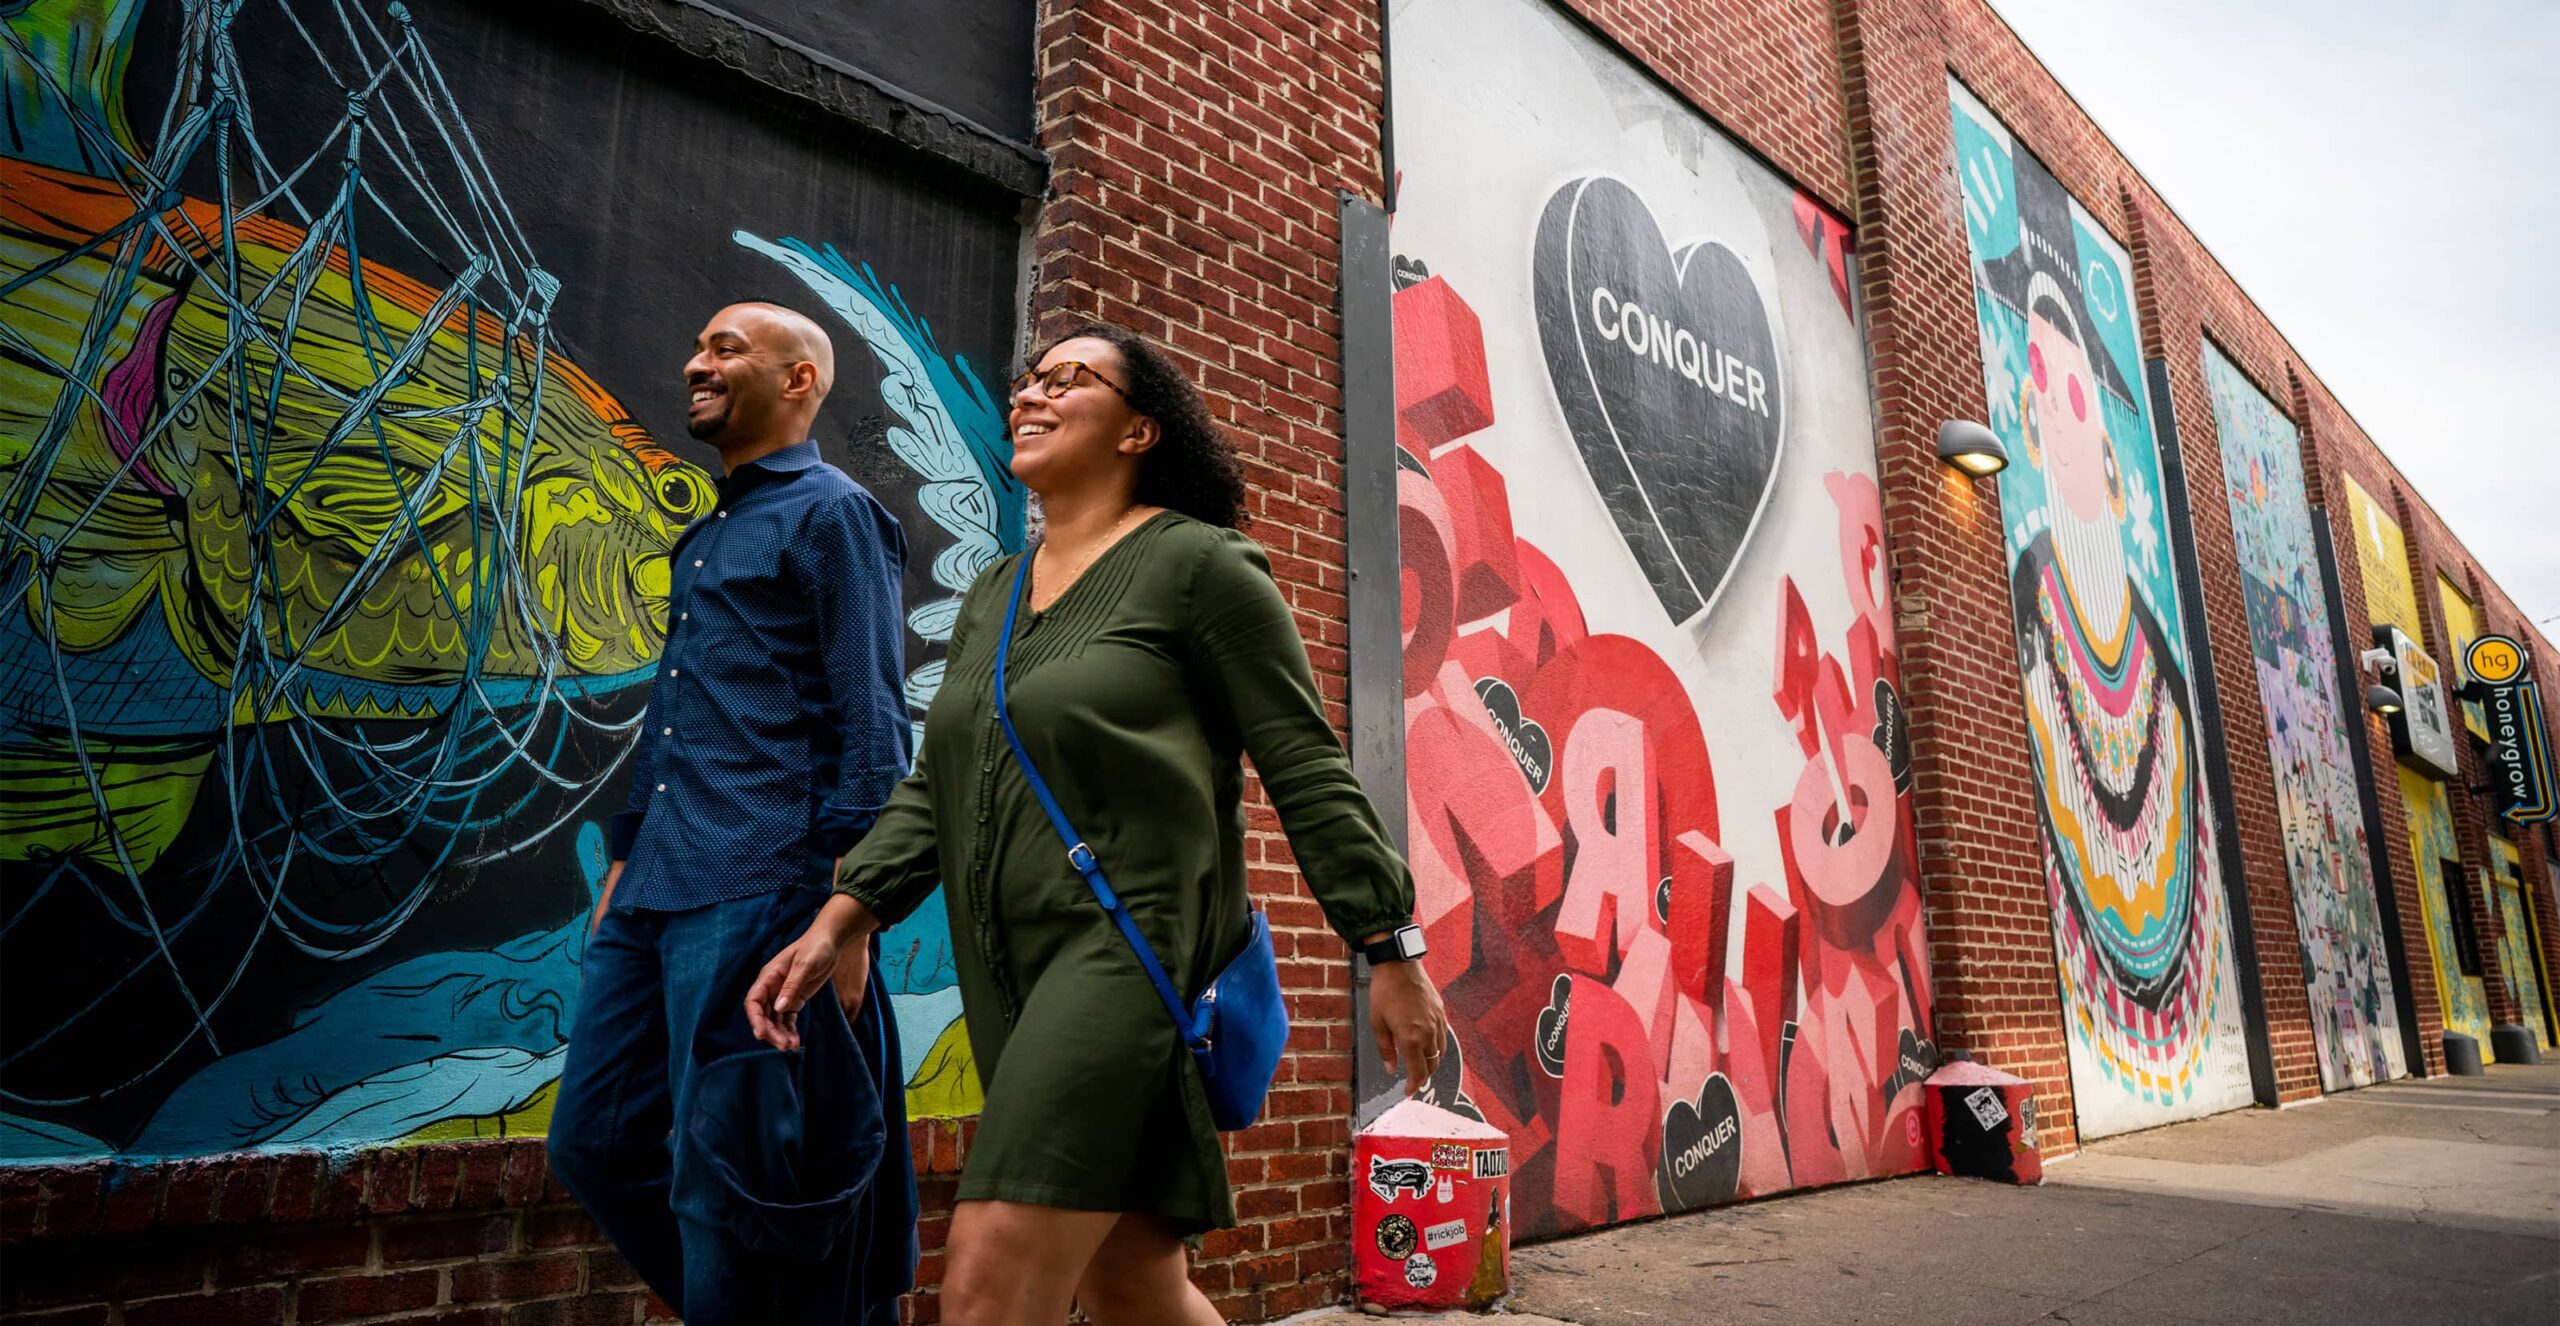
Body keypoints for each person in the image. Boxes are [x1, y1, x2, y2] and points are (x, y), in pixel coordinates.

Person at [745, 323, 1451, 1325]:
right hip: (1007, 969)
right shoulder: (995, 592)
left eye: (1068, 378)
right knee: (1133, 1288)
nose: (1029, 395)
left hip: (1126, 953)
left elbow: (1302, 761)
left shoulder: (1200, 566)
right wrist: (841, 919)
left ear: (1138, 431)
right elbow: (937, 785)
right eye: (1026, 379)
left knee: (987, 1284)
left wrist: (1388, 944)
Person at [547, 303, 918, 1326]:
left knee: (727, 1180)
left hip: (762, 886)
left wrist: (852, 913)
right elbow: (676, 715)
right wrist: (626, 859)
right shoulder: (706, 533)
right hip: (654, 891)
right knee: (593, 1144)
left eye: (725, 349)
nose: (694, 363)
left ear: (798, 380)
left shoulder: (835, 515)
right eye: (698, 345)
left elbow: (873, 721)